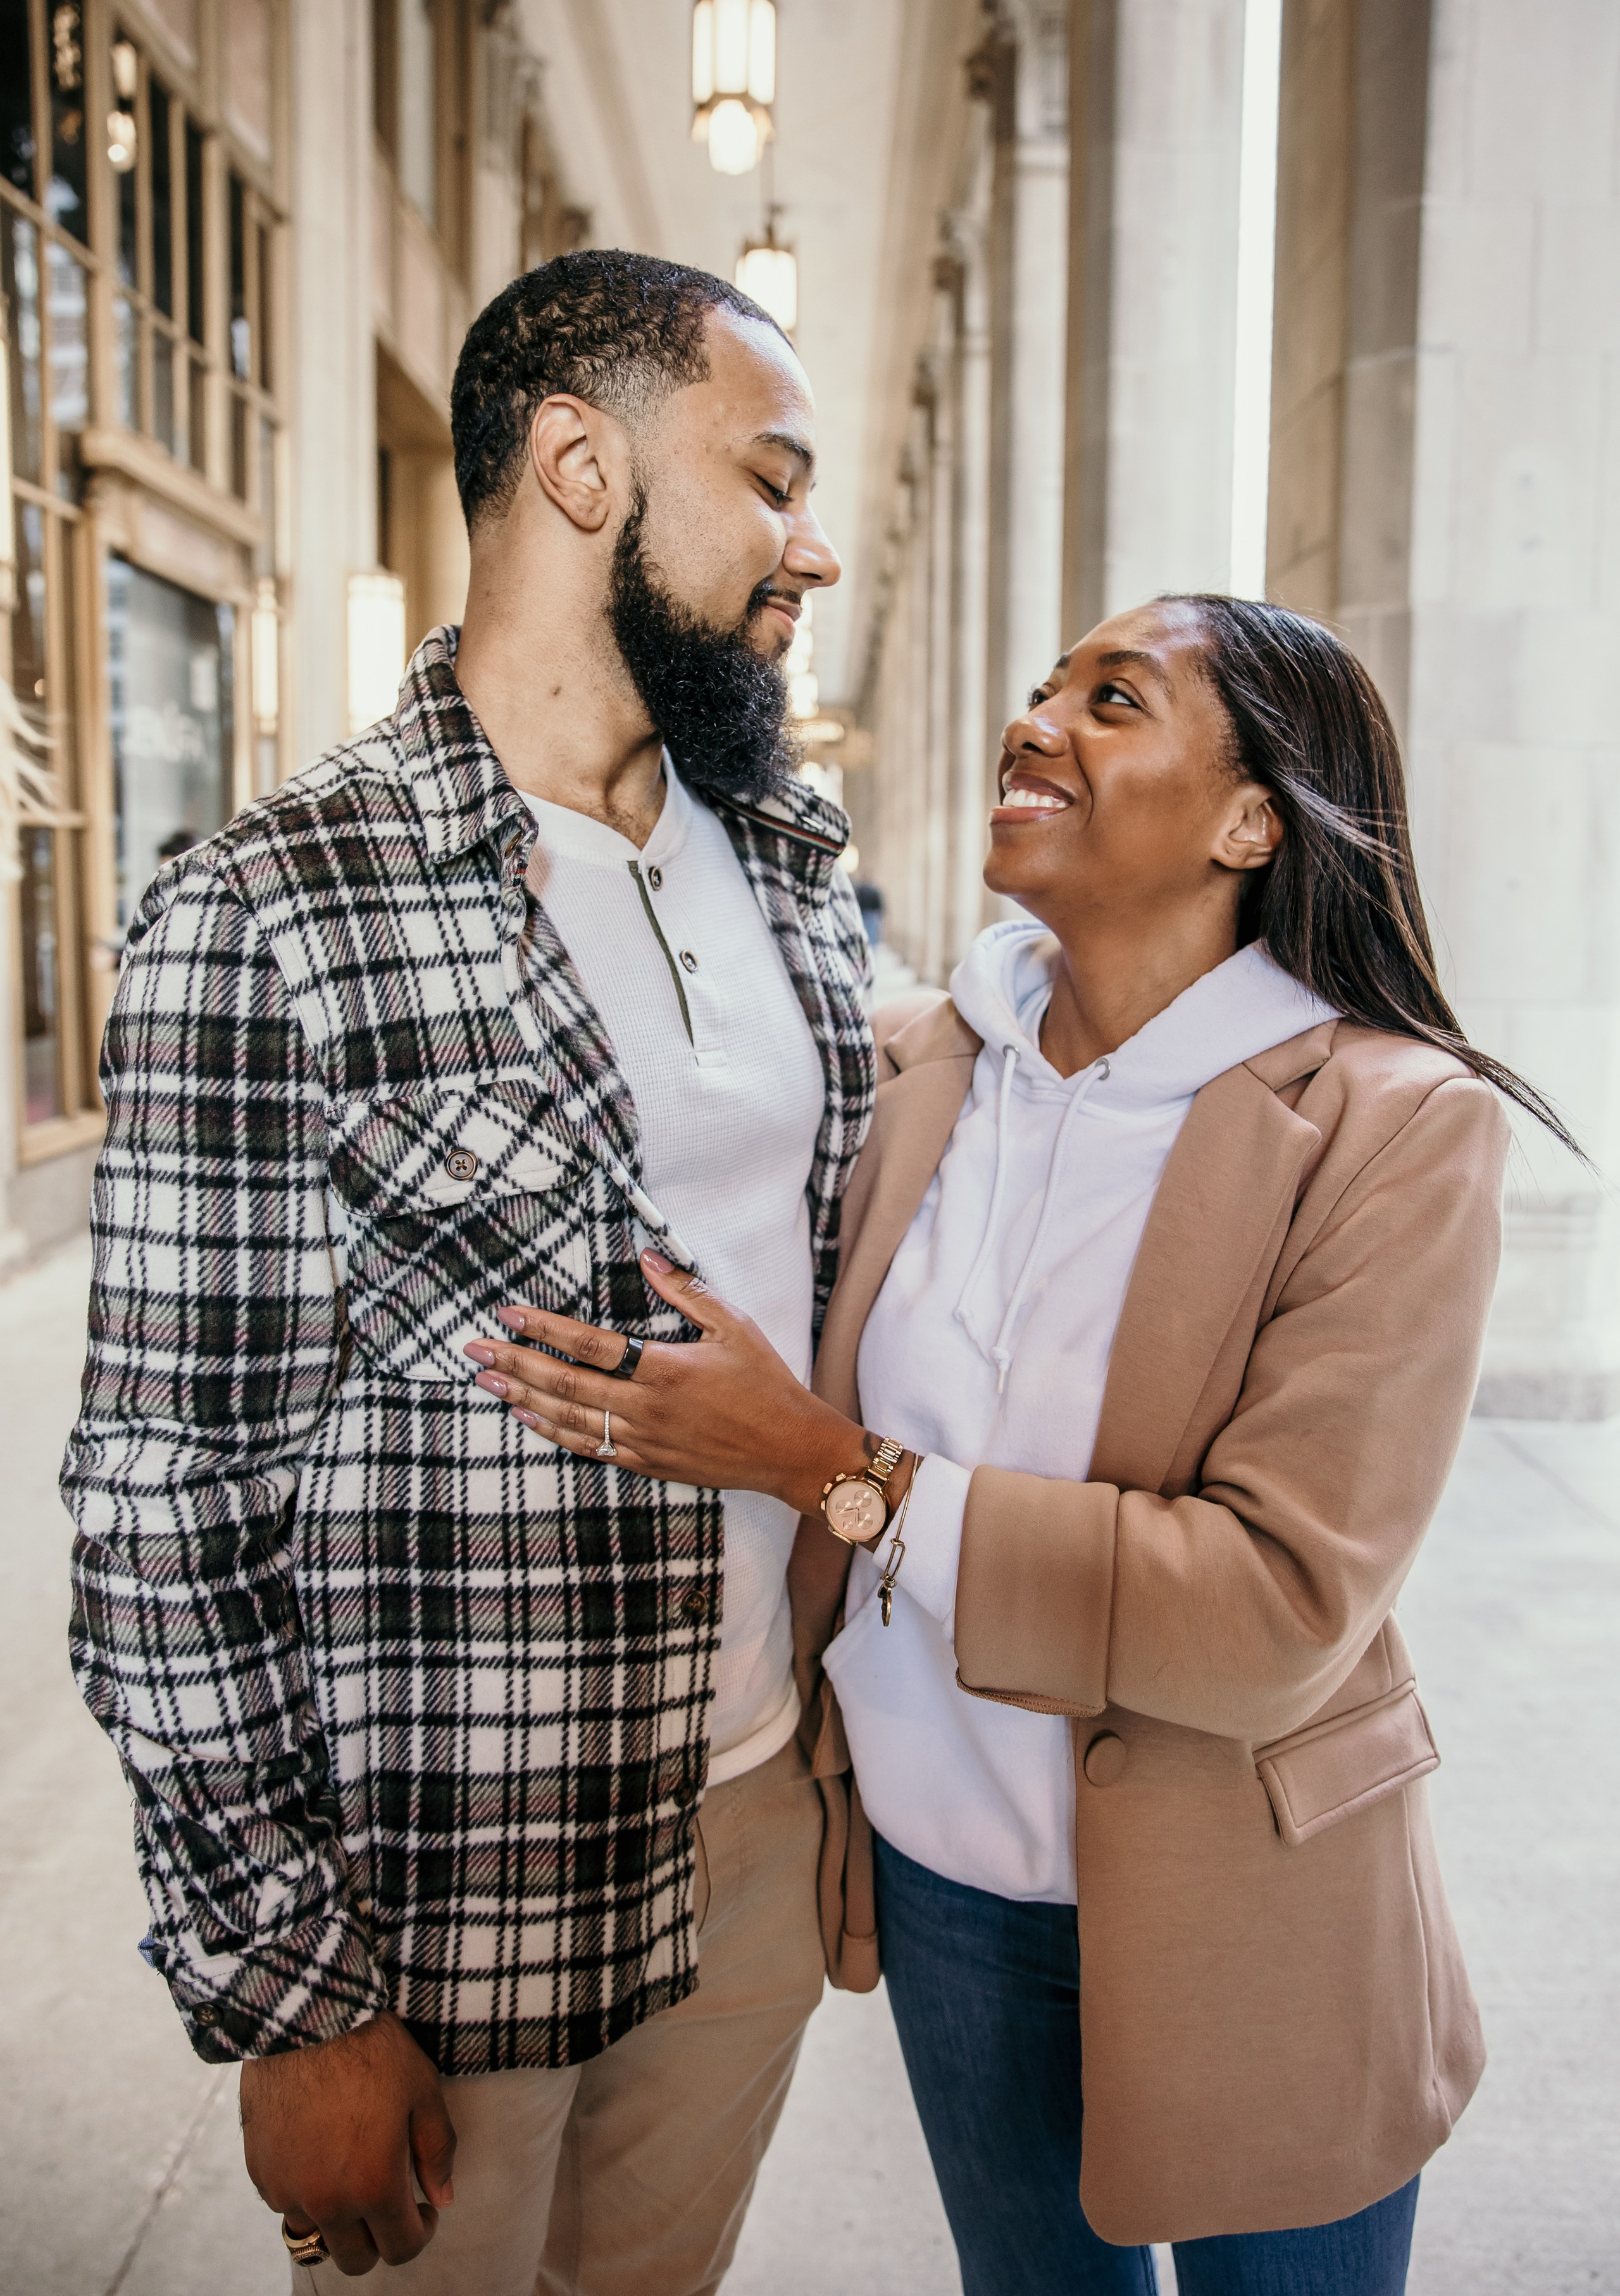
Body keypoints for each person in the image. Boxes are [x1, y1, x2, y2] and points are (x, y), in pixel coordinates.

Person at [471, 595, 1573, 2296]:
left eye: (1112, 699)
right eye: (1042, 683)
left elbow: (1279, 1606)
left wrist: (828, 1466)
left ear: (1248, 819)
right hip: (943, 1883)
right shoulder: (928, 1061)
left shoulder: (1391, 1126)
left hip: (1253, 1901)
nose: (1036, 719)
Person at [61, 249, 874, 2292]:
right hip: (452, 1890)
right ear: (582, 467)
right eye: (771, 480)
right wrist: (288, 1990)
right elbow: (167, 1495)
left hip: (760, 1821)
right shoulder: (271, 909)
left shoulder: (794, 868)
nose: (819, 548)